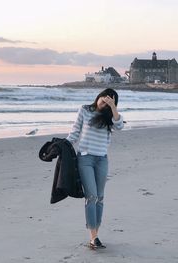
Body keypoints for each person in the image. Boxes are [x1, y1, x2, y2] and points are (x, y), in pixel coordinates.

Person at [66, 88, 124, 250]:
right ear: (98, 96)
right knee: (91, 196)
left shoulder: (109, 117)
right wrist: (62, 146)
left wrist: (113, 108)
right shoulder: (85, 110)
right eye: (103, 99)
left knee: (100, 196)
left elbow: (120, 126)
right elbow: (74, 133)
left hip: (102, 160)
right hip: (85, 158)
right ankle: (93, 237)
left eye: (108, 102)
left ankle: (95, 234)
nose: (104, 103)